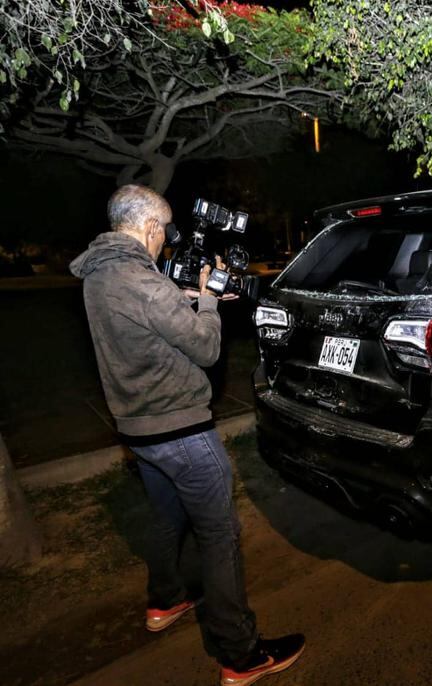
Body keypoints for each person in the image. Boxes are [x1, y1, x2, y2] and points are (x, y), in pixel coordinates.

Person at [69, 185, 304, 685]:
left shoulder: (101, 274)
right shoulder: (145, 283)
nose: (167, 241)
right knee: (220, 535)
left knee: (167, 517)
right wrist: (211, 301)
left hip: (137, 429)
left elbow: (142, 316)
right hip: (180, 428)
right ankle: (241, 655)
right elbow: (205, 348)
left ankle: (166, 599)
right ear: (150, 227)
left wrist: (187, 297)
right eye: (165, 230)